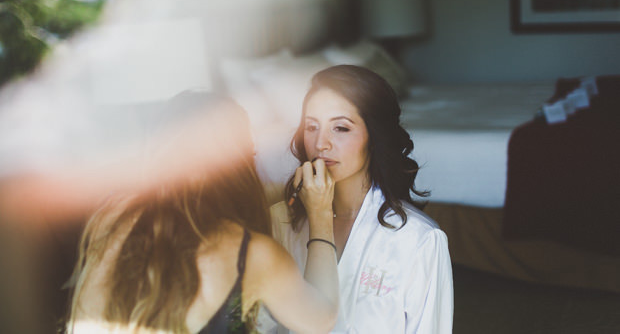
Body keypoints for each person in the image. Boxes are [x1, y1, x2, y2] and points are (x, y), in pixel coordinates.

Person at [65, 90, 339, 334]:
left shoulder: (113, 215)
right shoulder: (251, 254)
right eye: (251, 156)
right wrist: (321, 214)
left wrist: (290, 187)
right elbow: (321, 318)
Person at [268, 65, 453, 333]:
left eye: (341, 128)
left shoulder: (419, 240)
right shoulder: (281, 223)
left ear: (374, 137)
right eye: (311, 127)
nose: (321, 143)